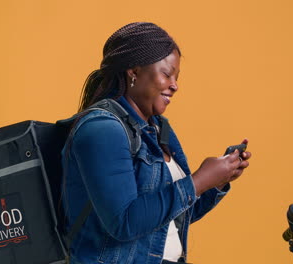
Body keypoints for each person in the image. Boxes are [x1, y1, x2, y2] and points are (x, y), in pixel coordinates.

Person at [61, 22, 252, 264]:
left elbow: (169, 218)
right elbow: (124, 222)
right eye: (167, 74)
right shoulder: (102, 129)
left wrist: (217, 181)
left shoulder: (159, 129)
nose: (175, 85)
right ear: (134, 72)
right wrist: (198, 180)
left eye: (177, 77)